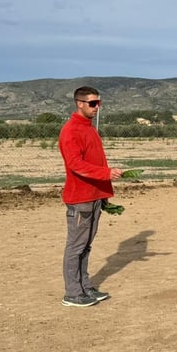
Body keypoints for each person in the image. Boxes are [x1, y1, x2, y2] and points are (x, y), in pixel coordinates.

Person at [58, 86, 123, 307]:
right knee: (76, 246)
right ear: (79, 103)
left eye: (99, 103)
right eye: (92, 103)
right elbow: (75, 165)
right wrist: (106, 174)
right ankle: (72, 293)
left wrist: (103, 194)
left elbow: (94, 162)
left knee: (86, 245)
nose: (97, 107)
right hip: (80, 199)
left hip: (93, 196)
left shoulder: (90, 129)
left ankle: (84, 287)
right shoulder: (71, 131)